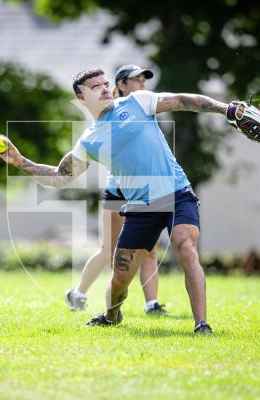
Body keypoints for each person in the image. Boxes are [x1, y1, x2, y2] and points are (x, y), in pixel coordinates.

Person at [0, 67, 230, 334]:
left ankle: (201, 324)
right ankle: (110, 316)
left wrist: (226, 110)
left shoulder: (138, 101)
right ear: (82, 98)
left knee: (185, 246)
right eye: (96, 87)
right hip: (141, 208)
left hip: (177, 193)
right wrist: (20, 161)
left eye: (105, 84)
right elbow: (60, 176)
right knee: (119, 280)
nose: (105, 88)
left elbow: (186, 101)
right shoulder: (89, 141)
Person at [64, 65, 165, 315]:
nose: (142, 84)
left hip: (146, 191)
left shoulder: (139, 105)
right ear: (120, 84)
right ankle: (77, 293)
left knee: (150, 250)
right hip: (118, 191)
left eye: (144, 79)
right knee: (109, 250)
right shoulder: (109, 111)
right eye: (135, 80)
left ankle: (152, 305)